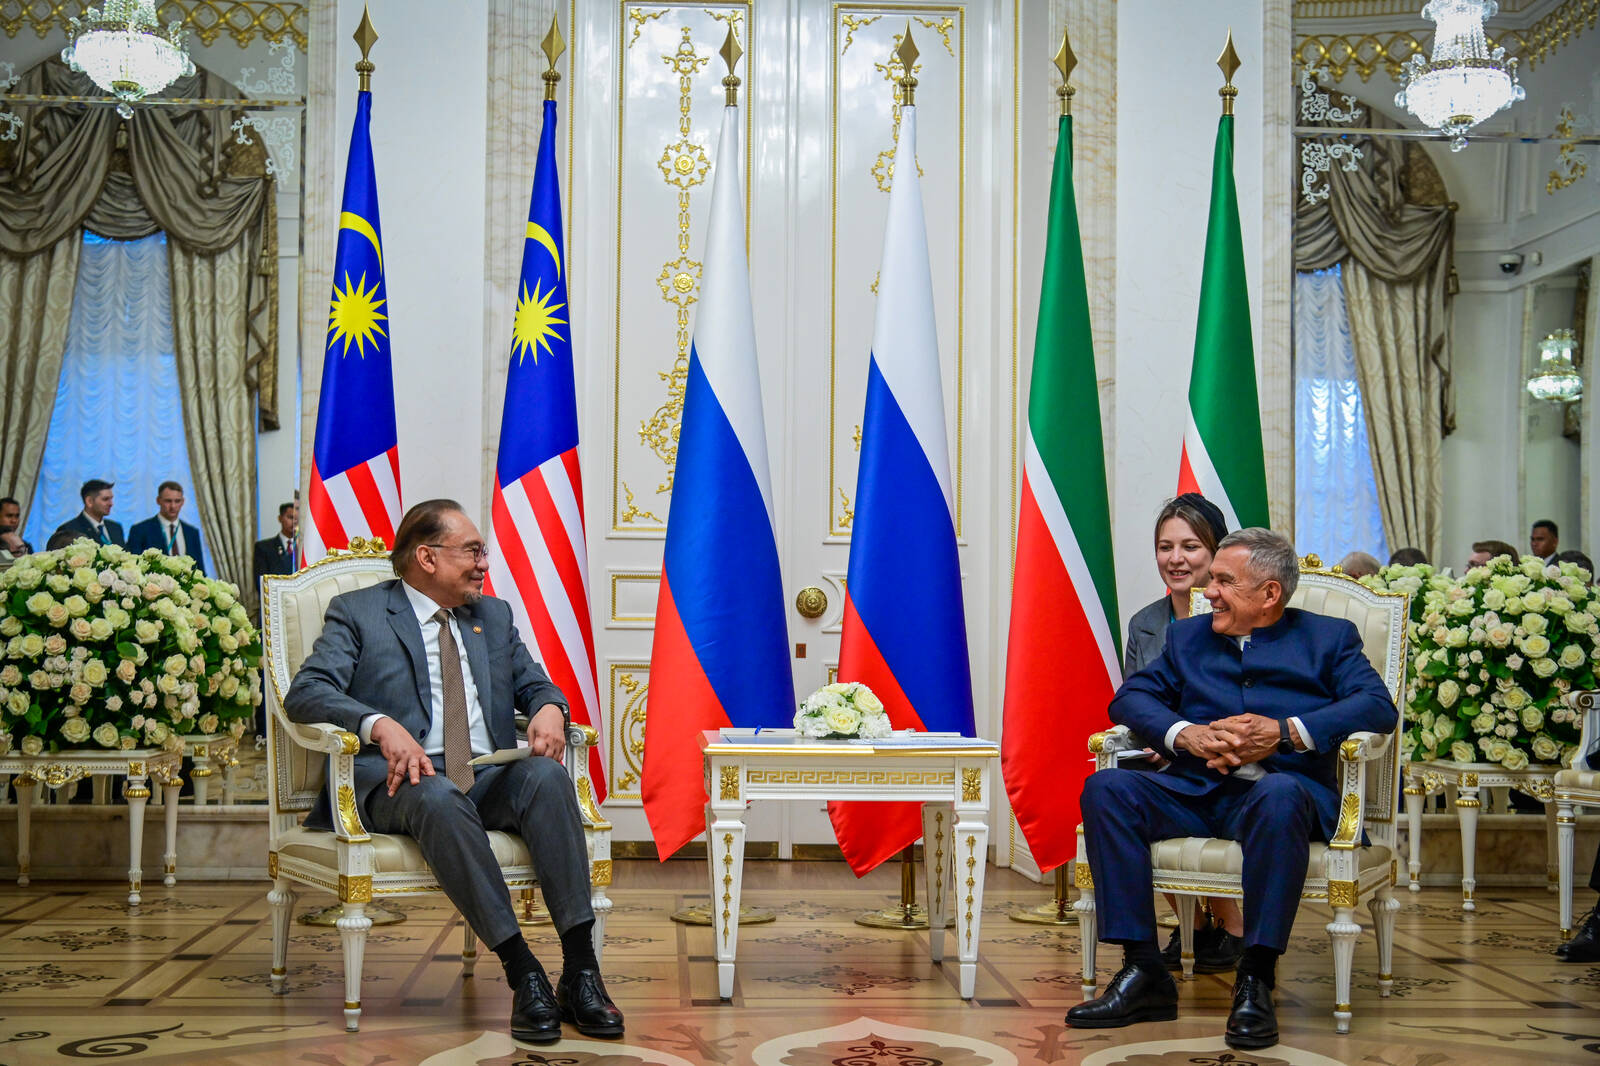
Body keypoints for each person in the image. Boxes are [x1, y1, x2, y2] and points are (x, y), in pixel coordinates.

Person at [284, 499, 623, 1044]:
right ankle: (524, 973)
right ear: (427, 557)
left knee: (547, 778)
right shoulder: (359, 612)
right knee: (438, 795)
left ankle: (581, 973)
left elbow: (536, 683)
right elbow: (306, 692)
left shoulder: (493, 616)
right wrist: (378, 725)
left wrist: (548, 708)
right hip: (400, 783)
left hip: (484, 774)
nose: (483, 563)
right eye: (473, 551)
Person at [1067, 528, 1396, 1050]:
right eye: (1213, 579)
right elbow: (1130, 699)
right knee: (1107, 789)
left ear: (1269, 593)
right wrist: (1187, 736)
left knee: (1279, 794)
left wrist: (1284, 732)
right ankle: (1144, 971)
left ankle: (1256, 978)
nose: (1209, 591)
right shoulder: (1188, 638)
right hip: (1196, 792)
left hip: (1281, 799)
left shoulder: (1329, 638)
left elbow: (1377, 707)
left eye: (1224, 581)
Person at [1122, 493, 1243, 974]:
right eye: (1165, 547)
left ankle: (1233, 926)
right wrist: (1161, 739)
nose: (1175, 559)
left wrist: (1191, 740)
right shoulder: (1145, 624)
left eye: (1190, 547)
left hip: (1223, 757)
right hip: (1161, 753)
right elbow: (1136, 699)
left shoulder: (1238, 616)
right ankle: (1192, 926)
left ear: (1217, 553)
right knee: (1124, 790)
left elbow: (1247, 698)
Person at [126, 481, 206, 573]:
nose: (173, 506)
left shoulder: (192, 533)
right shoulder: (140, 530)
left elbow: (200, 570)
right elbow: (134, 567)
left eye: (177, 501)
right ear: (158, 500)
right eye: (168, 501)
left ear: (183, 502)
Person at [50, 479, 124, 548]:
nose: (111, 504)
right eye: (105, 499)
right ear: (89, 501)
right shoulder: (69, 529)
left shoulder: (115, 528)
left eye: (111, 499)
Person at [253, 501, 300, 586]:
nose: (294, 522)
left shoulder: (303, 548)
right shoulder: (264, 548)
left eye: (297, 518)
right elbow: (261, 583)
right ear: (280, 518)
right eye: (290, 517)